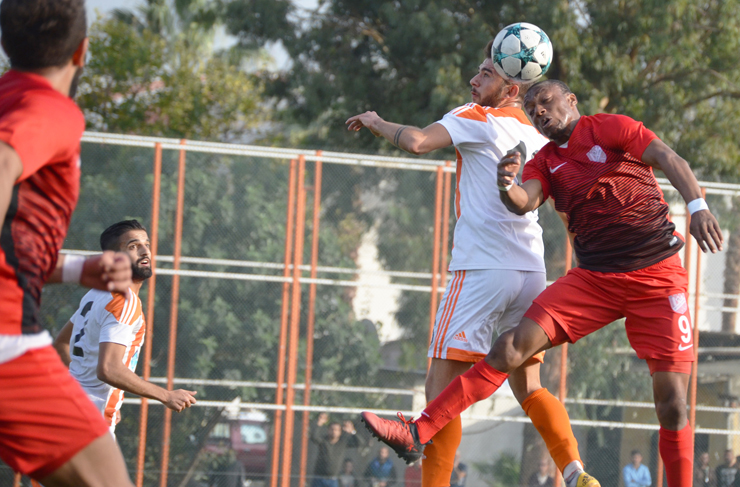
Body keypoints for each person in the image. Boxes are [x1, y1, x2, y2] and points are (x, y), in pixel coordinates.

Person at [360, 79, 724, 487]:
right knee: (510, 348)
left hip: (657, 278)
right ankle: (419, 430)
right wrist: (506, 185)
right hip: (595, 280)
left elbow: (669, 157)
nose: (540, 112)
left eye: (546, 102)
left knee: (672, 404)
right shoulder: (545, 160)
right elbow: (525, 200)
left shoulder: (611, 127)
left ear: (572, 100)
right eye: (533, 109)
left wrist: (697, 206)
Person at [347, 39, 596, 487]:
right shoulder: (538, 134)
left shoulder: (476, 116)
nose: (474, 79)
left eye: (486, 73)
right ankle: (575, 471)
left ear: (512, 88)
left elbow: (418, 142)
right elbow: (562, 207)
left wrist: (377, 122)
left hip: (483, 269)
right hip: (531, 272)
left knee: (440, 392)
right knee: (530, 387)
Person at [0, 0, 141, 485]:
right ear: (82, 51)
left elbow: (12, 247)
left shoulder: (7, 96)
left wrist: (78, 269)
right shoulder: (52, 109)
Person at [53, 220, 197, 434]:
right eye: (133, 246)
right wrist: (166, 395)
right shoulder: (124, 301)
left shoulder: (96, 293)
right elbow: (109, 368)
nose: (144, 251)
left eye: (146, 244)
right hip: (90, 423)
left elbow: (61, 343)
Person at [311, 413, 363, 487]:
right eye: (332, 429)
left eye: (336, 430)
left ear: (340, 432)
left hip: (333, 479)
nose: (334, 431)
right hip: (319, 477)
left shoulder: (343, 442)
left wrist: (352, 431)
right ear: (328, 430)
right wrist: (320, 423)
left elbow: (360, 443)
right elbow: (314, 437)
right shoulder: (324, 441)